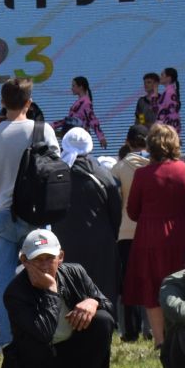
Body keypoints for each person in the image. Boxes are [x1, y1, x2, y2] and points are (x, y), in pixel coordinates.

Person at [0, 77, 59, 348]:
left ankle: (8, 343)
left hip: (2, 214)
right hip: (37, 215)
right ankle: (47, 333)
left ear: (1, 102)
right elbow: (56, 171)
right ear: (29, 102)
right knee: (46, 276)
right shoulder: (42, 130)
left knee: (1, 283)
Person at [0, 229, 113, 368]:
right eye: (37, 259)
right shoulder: (15, 293)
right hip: (36, 364)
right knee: (34, 340)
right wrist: (51, 291)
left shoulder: (75, 272)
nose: (44, 265)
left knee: (103, 319)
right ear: (24, 261)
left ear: (60, 257)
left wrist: (94, 302)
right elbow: (43, 334)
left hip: (72, 356)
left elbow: (109, 307)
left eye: (50, 258)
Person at [122, 123, 185, 346]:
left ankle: (160, 341)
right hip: (183, 233)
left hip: (150, 236)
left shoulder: (142, 174)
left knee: (152, 289)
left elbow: (132, 211)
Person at [55, 128, 123, 308]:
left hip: (65, 241)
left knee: (69, 288)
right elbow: (116, 212)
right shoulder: (102, 174)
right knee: (102, 288)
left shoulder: (57, 173)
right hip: (100, 241)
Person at [112, 125, 152, 342]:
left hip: (125, 232)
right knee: (151, 279)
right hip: (151, 231)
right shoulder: (156, 165)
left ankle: (130, 331)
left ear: (128, 142)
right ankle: (152, 329)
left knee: (129, 283)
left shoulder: (119, 168)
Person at [53, 75, 107, 147]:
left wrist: (101, 137)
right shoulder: (80, 102)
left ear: (80, 87)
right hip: (74, 136)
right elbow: (70, 120)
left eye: (73, 86)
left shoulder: (86, 103)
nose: (71, 88)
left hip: (79, 138)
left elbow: (92, 119)